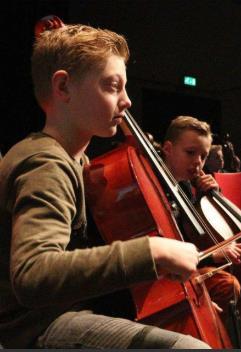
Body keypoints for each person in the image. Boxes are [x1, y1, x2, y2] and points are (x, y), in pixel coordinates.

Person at [0, 23, 210, 349]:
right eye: (113, 86)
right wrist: (152, 250)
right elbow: (33, 273)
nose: (126, 101)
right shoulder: (45, 163)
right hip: (33, 326)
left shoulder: (78, 162)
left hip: (63, 310)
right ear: (64, 87)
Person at [161, 116, 241, 316]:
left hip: (189, 263)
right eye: (190, 152)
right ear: (168, 149)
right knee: (227, 284)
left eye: (203, 156)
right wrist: (211, 255)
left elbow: (194, 231)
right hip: (166, 273)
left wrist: (213, 195)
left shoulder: (186, 186)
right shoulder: (154, 185)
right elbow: (169, 246)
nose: (198, 162)